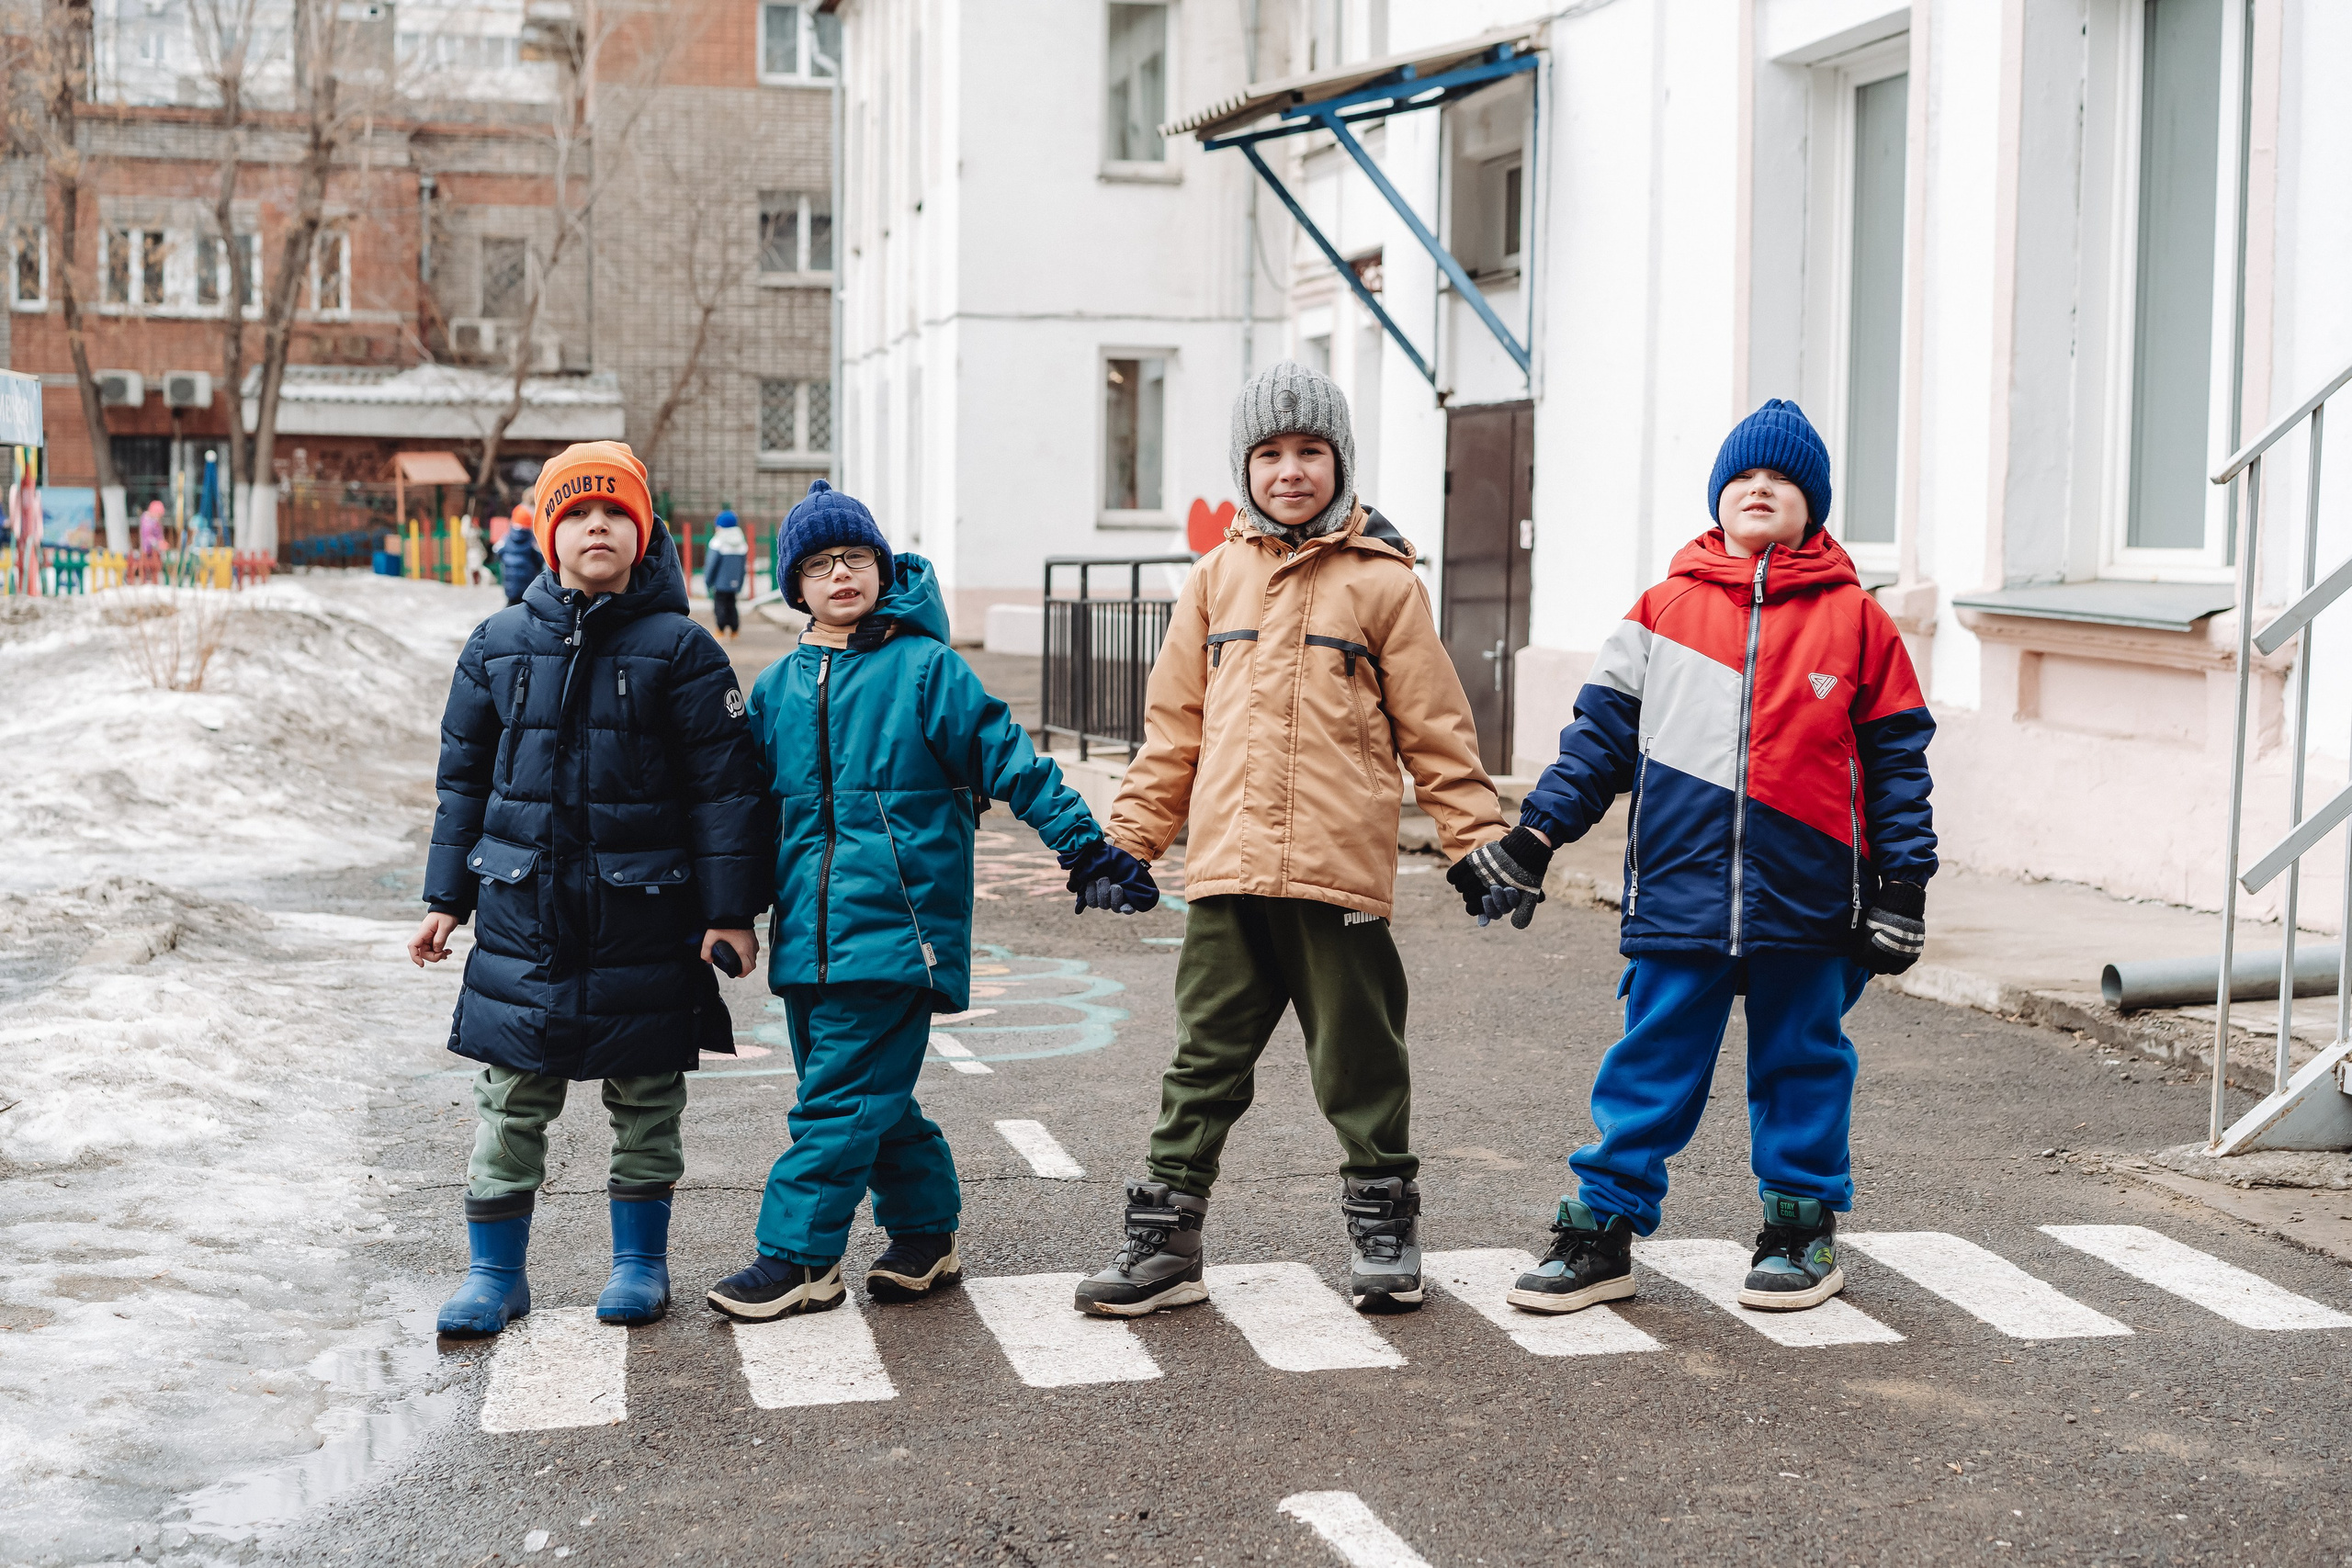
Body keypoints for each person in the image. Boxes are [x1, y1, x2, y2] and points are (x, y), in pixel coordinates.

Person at [1452, 400, 1936, 1318]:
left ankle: (1799, 1229)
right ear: (1719, 498)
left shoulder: (1859, 623)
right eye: (1744, 477)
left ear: (1813, 508)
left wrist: (1902, 884)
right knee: (1649, 1064)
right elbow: (1596, 744)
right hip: (1679, 894)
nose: (1761, 488)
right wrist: (1534, 836)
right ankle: (1601, 1231)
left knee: (1803, 1063)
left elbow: (1898, 764)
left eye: (1783, 479)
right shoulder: (1662, 612)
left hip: (1811, 898)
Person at [1072, 362, 1509, 1320]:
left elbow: (1437, 728)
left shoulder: (1384, 585)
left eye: (1310, 451)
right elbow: (1173, 730)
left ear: (1339, 461)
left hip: (1335, 872)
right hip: (1226, 869)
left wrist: (1477, 839)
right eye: (1268, 454)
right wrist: (1129, 844)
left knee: (1359, 1058)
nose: (1289, 471)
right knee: (1203, 1060)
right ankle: (1164, 1240)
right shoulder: (1214, 579)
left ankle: (1384, 1226)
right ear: (1244, 467)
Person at [704, 479, 1154, 1321]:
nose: (842, 574)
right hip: (808, 934)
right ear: (793, 585)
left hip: (900, 930)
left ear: (882, 567)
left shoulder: (926, 671)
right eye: (820, 563)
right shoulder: (776, 689)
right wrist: (729, 913)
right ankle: (926, 1231)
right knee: (866, 1093)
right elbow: (748, 815)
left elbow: (1014, 761)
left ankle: (799, 1258)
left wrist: (1084, 846)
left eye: (857, 557)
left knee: (838, 1099)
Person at [407, 441, 775, 1338]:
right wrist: (444, 898)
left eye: (614, 512)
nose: (595, 525)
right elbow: (465, 787)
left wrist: (729, 914)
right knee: (508, 1102)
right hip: (523, 922)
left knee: (646, 1099)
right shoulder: (496, 646)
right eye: (575, 512)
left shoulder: (679, 651)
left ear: (642, 535)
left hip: (644, 919)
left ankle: (638, 1263)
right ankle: (495, 1274)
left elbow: (724, 794)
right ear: (545, 532)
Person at [704, 507, 749, 639]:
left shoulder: (717, 542)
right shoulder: (741, 542)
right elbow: (742, 567)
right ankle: (735, 630)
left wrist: (708, 581)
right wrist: (740, 583)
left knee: (720, 606)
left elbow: (711, 564)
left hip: (720, 582)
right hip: (735, 582)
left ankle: (721, 629)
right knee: (732, 605)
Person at [497, 502, 543, 605]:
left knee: (510, 607)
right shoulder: (531, 540)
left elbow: (498, 551)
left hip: (510, 586)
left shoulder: (507, 538)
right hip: (527, 585)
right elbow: (539, 559)